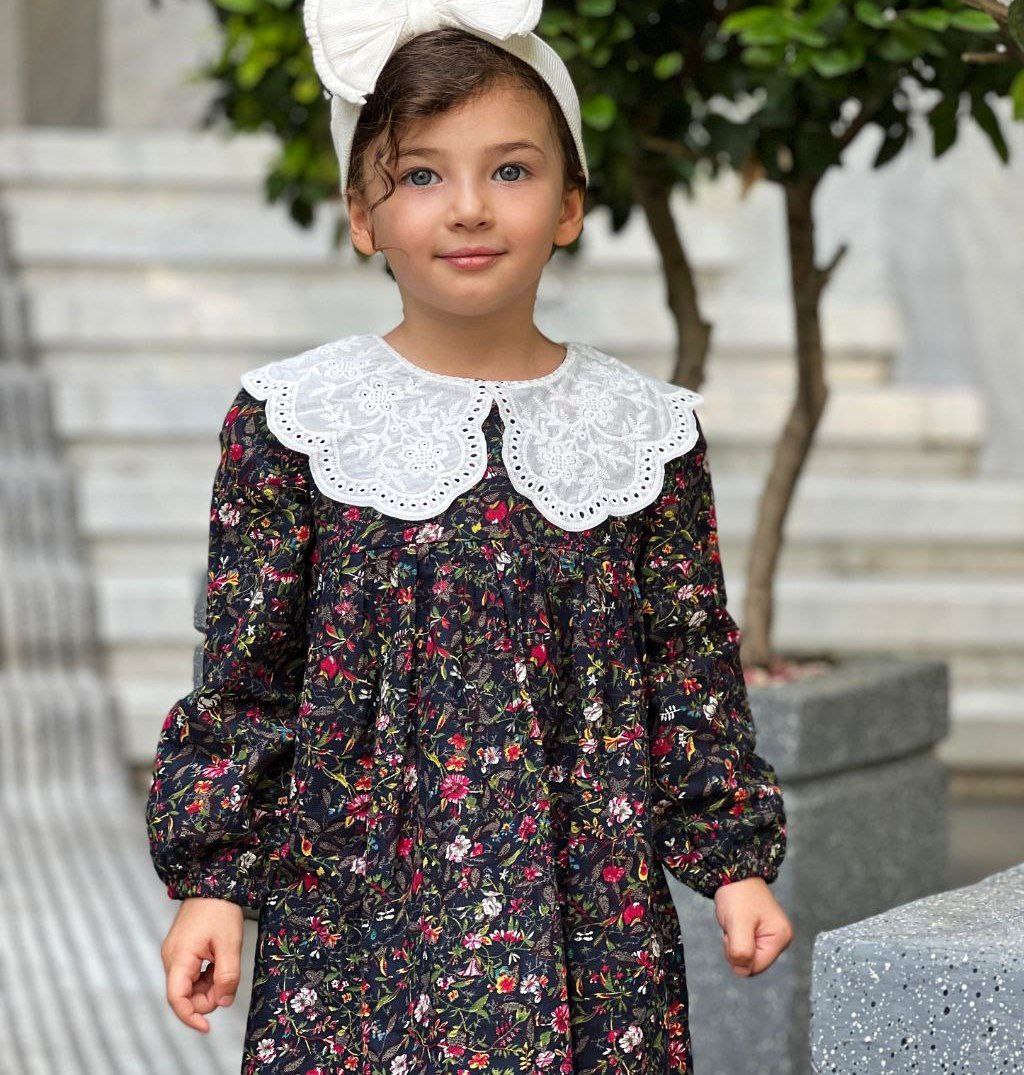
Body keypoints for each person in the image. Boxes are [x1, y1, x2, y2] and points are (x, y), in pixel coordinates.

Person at [145, 2, 793, 1072]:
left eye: (511, 170)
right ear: (362, 214)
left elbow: (687, 667)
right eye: (420, 175)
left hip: (588, 924)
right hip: (357, 921)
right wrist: (214, 885)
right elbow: (248, 677)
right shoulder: (294, 422)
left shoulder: (645, 434)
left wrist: (735, 863)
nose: (469, 208)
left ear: (570, 202)